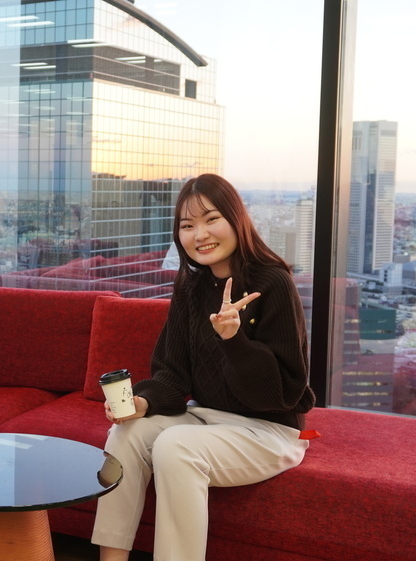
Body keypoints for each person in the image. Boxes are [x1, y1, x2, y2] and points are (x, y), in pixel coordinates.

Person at [91, 173, 316, 561]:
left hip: (269, 430)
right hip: (207, 419)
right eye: (187, 225)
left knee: (175, 446)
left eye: (211, 219)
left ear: (235, 219)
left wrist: (235, 340)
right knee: (126, 433)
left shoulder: (272, 282)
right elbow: (172, 374)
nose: (200, 234)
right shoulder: (191, 288)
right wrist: (142, 403)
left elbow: (283, 392)